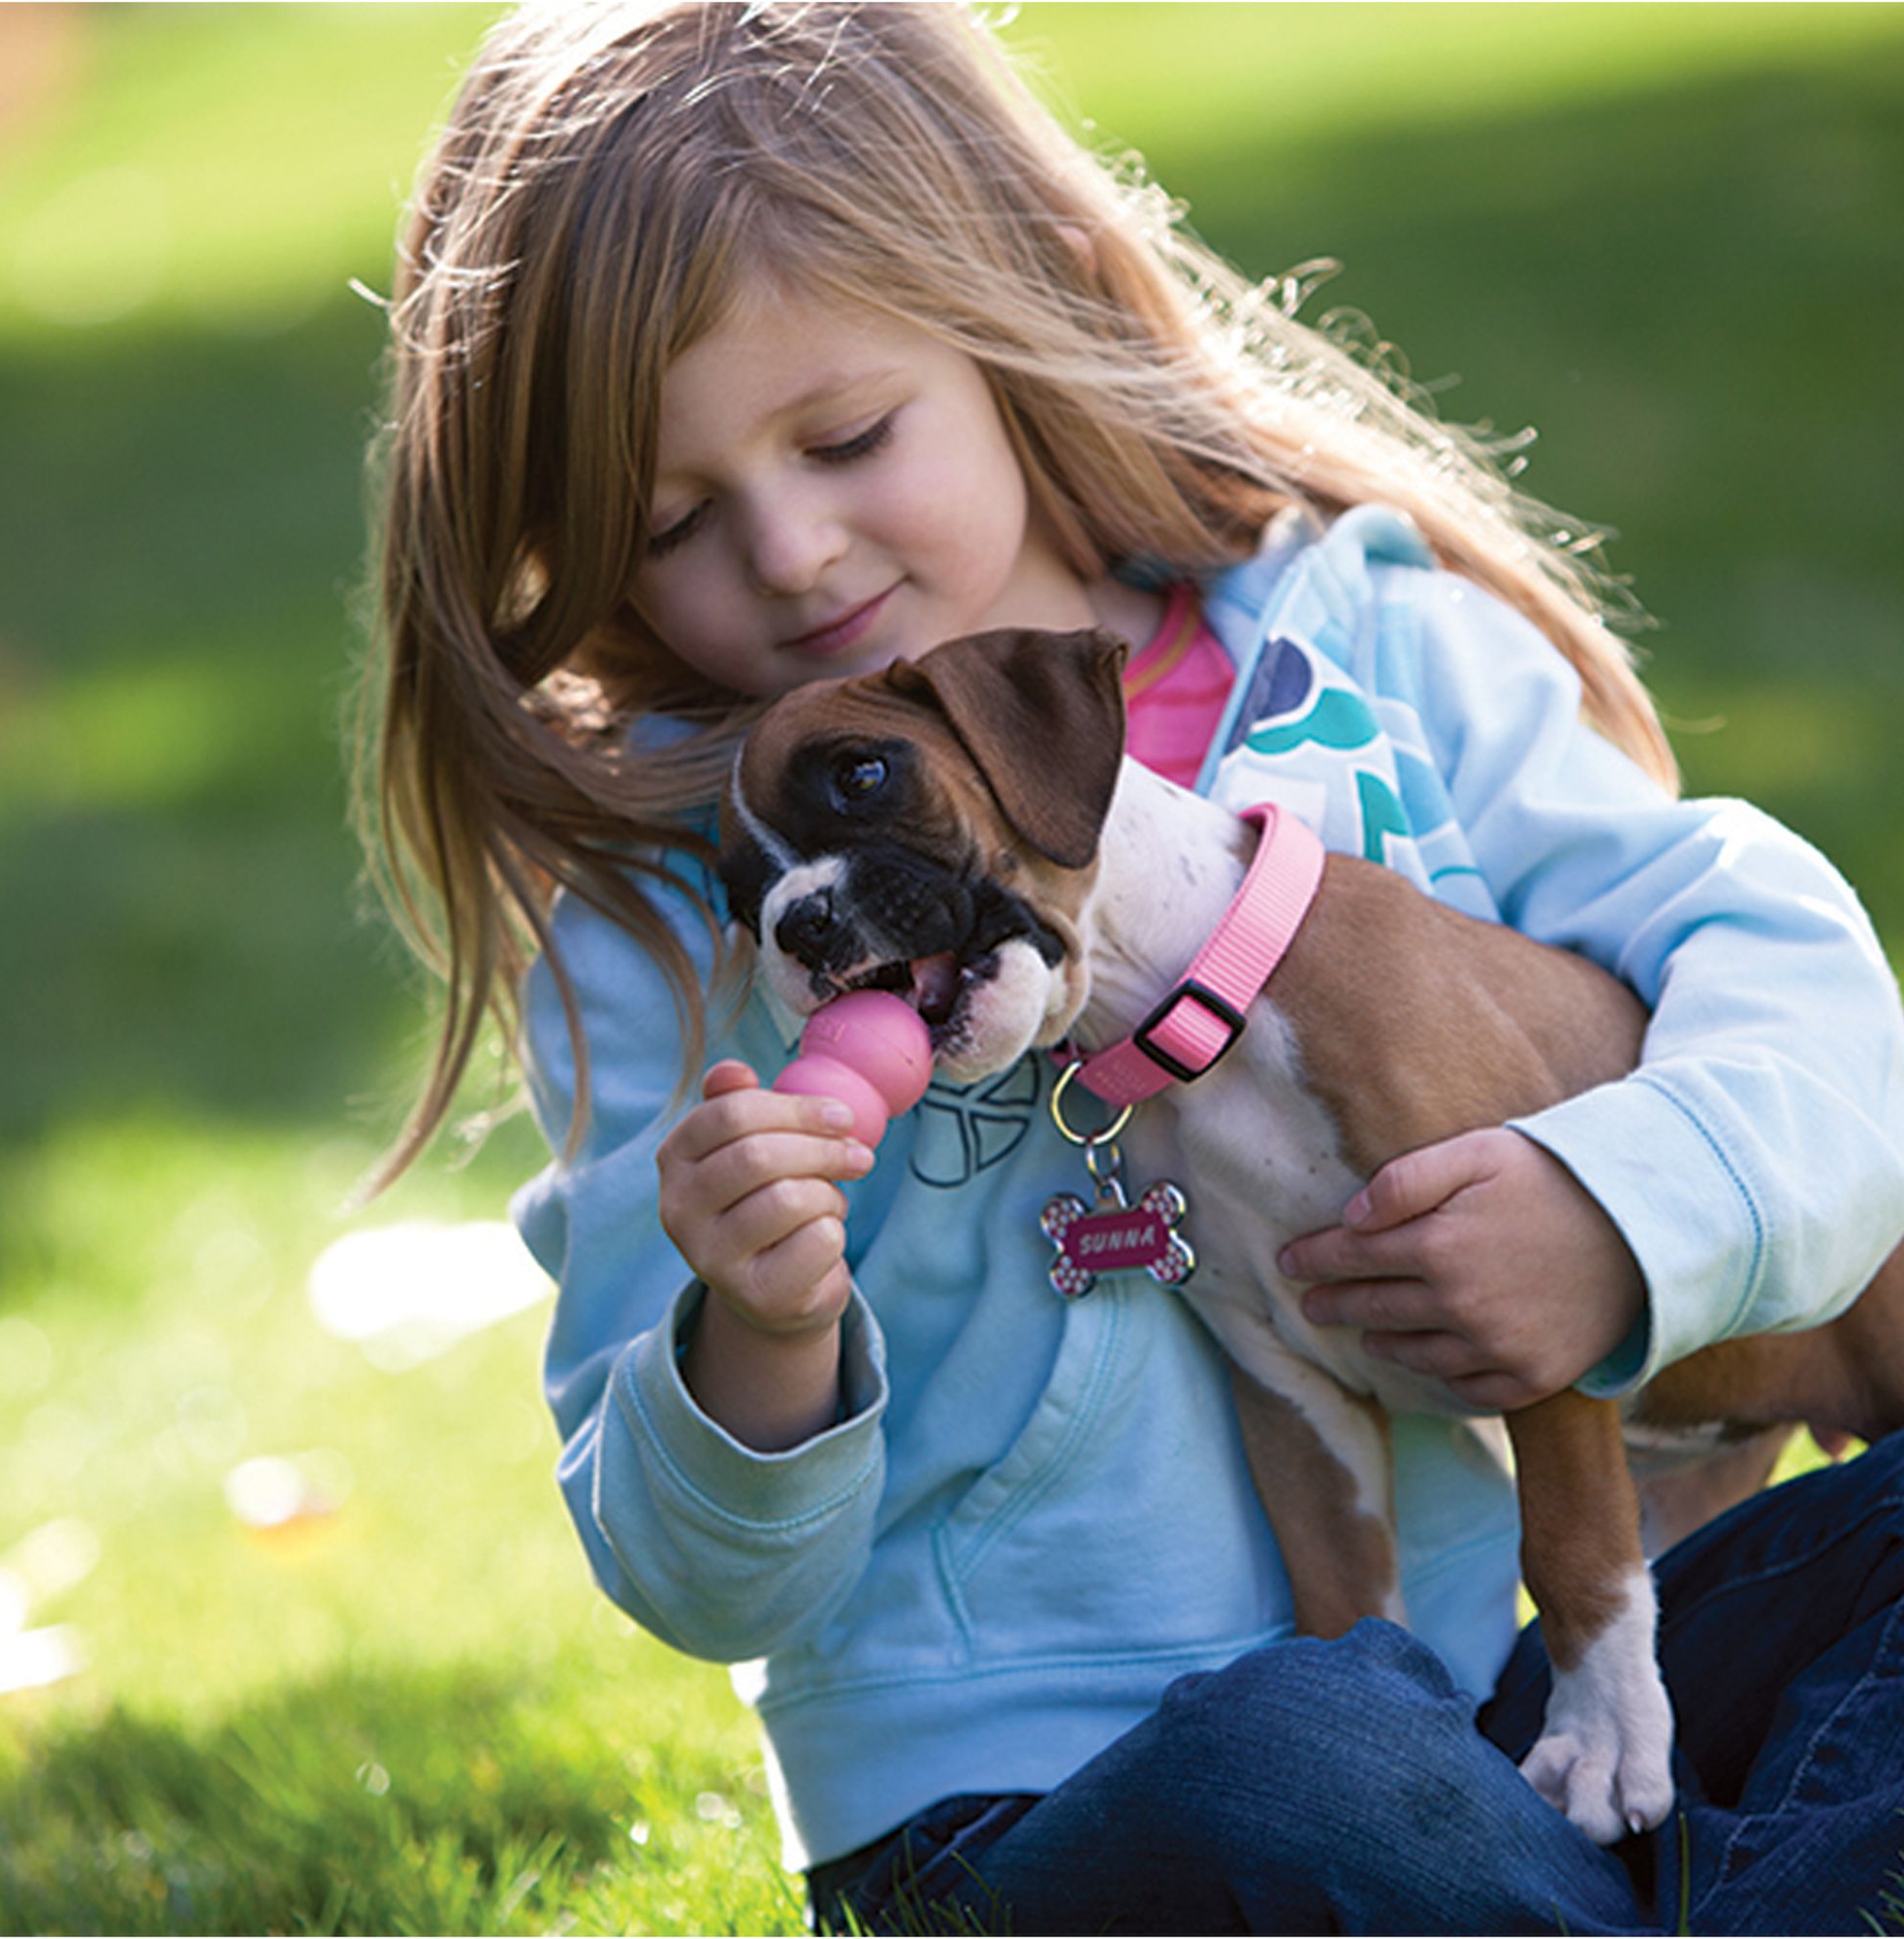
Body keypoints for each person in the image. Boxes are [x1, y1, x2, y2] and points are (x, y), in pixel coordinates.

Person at [356, 4, 1904, 1930]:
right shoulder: (668, 924)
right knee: (1296, 1765)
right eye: (673, 524)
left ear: (1018, 311)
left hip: (1524, 1700)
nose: (792, 549)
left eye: (844, 437)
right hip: (1046, 1797)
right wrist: (753, 1332)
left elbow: (1794, 991)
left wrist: (1619, 1214)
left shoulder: (1364, 651)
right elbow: (690, 1577)